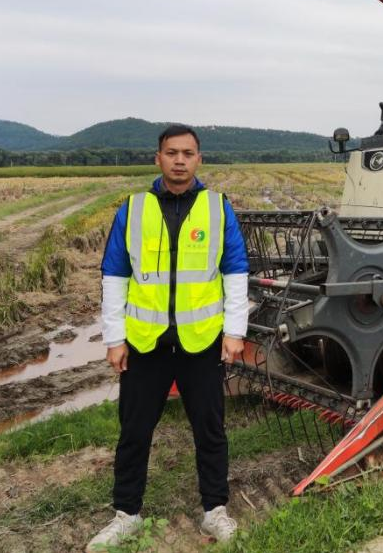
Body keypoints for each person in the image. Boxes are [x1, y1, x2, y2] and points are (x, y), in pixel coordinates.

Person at [86, 124, 249, 551]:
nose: (179, 160)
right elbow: (115, 275)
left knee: (210, 430)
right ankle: (127, 514)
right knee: (134, 431)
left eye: (188, 153)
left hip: (201, 342)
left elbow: (235, 271)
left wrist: (234, 332)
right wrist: (115, 338)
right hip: (146, 344)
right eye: (172, 152)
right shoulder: (133, 208)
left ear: (199, 159)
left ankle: (214, 510)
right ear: (158, 158)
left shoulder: (218, 208)